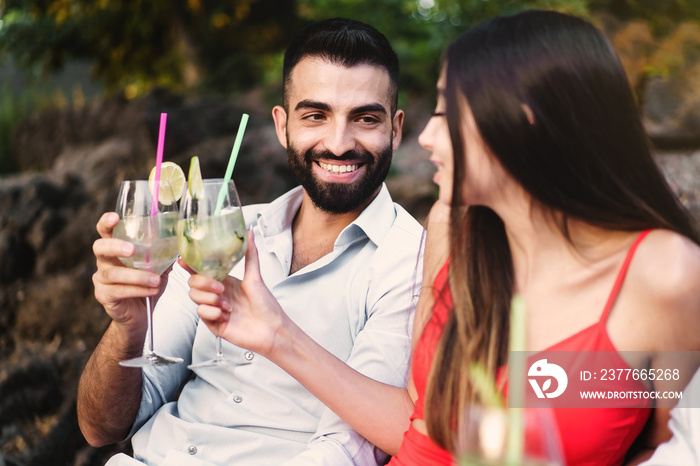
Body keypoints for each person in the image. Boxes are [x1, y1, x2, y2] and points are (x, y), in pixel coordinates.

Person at [187, 9, 700, 466]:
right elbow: (424, 423)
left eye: (446, 112)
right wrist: (276, 335)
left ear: (524, 122)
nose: (427, 137)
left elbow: (662, 443)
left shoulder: (666, 276)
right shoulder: (454, 229)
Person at [77, 17, 425, 465]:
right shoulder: (223, 231)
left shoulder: (409, 260)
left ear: (395, 130)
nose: (339, 143)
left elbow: (351, 448)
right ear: (282, 125)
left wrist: (279, 336)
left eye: (365, 118)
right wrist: (128, 329)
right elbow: (101, 428)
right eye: (315, 115)